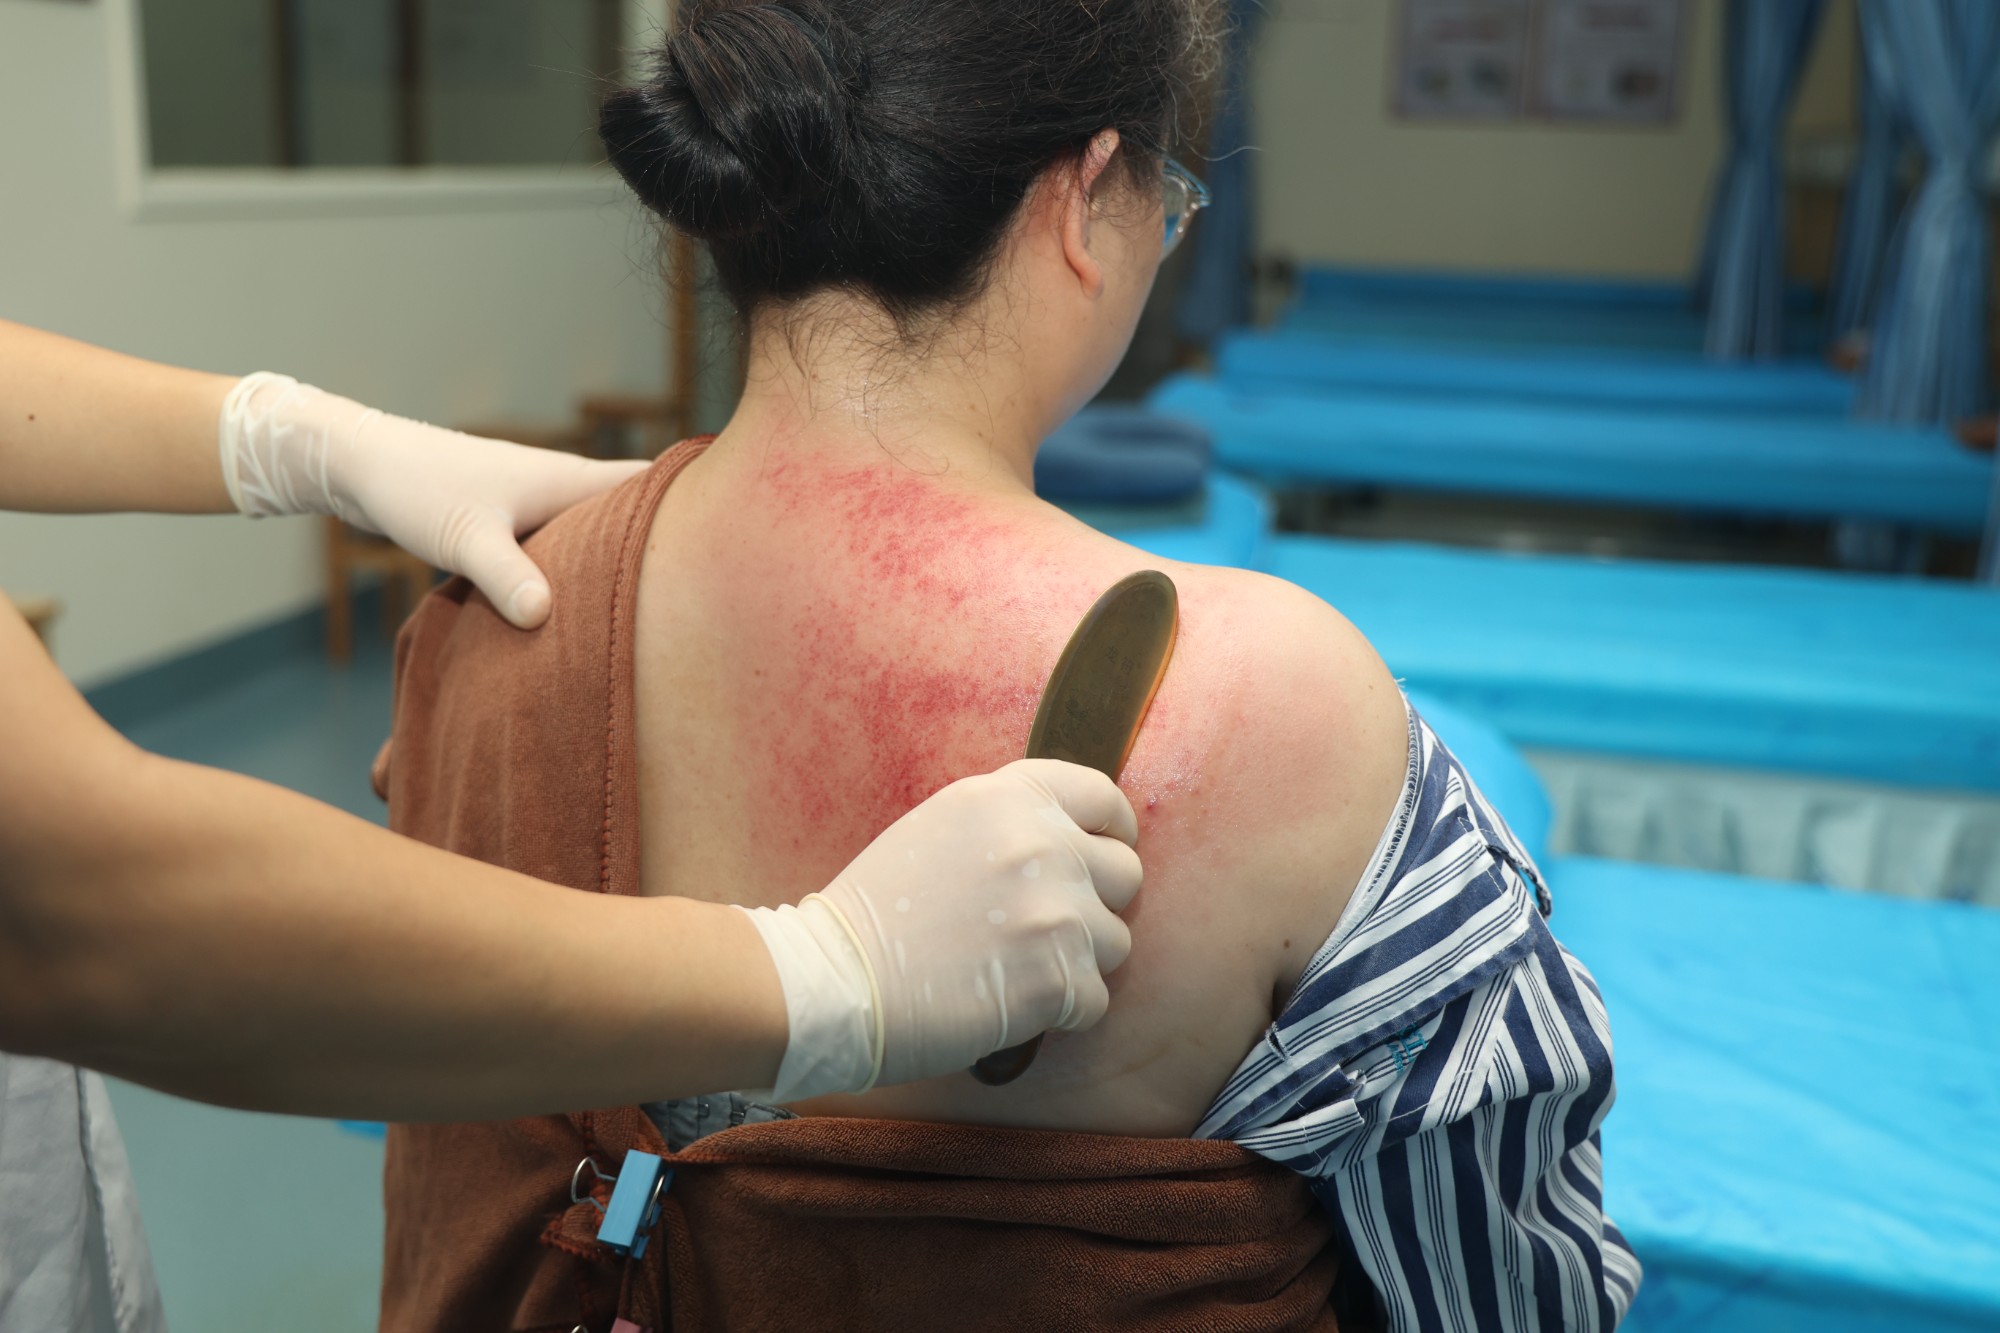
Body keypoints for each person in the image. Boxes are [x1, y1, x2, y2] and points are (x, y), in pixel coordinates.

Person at [376, 0, 1640, 1329]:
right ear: (1084, 197)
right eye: (1171, 205)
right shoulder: (1277, 705)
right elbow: (1509, 1291)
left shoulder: (492, 601)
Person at [0, 317, 1145, 1333]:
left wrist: (293, 438)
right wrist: (830, 975)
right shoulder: (1242, 683)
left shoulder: (498, 620)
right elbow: (63, 915)